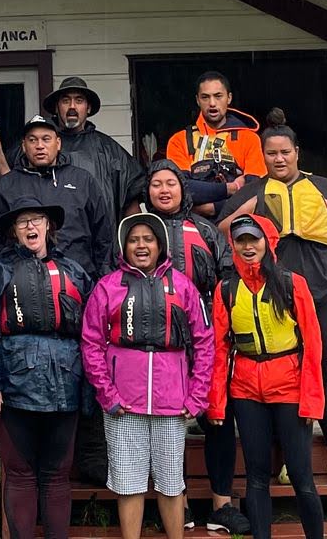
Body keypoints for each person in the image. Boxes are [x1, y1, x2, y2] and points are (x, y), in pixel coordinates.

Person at [220, 108, 327, 482]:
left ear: (297, 152)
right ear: (263, 156)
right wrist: (248, 210)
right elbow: (222, 228)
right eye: (271, 153)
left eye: (285, 152)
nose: (279, 159)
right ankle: (291, 458)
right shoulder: (255, 191)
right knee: (290, 378)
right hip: (278, 300)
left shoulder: (323, 187)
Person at [0, 194, 94, 539]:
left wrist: (91, 386)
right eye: (23, 222)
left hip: (66, 383)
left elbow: (93, 332)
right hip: (13, 387)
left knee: (57, 473)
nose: (31, 226)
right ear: (14, 232)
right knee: (21, 473)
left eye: (36, 219)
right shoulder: (0, 271)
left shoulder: (73, 270)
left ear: (48, 225)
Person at [81, 213, 213, 539]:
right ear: (124, 246)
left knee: (170, 483)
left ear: (160, 245)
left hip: (173, 401)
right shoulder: (107, 287)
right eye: (134, 239)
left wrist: (197, 395)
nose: (141, 245)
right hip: (123, 404)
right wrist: (107, 394)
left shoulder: (183, 286)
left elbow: (205, 342)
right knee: (129, 484)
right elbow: (91, 343)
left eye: (148, 239)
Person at [137, 161, 243, 535]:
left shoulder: (205, 229)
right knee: (169, 422)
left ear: (184, 189)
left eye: (171, 183)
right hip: (159, 341)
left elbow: (228, 276)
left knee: (218, 417)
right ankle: (175, 501)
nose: (163, 190)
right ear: (146, 191)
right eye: (155, 184)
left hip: (206, 335)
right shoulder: (139, 233)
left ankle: (222, 503)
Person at [209, 213, 326, 539]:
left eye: (254, 239)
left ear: (268, 241)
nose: (248, 247)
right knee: (256, 477)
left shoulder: (292, 283)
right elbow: (219, 350)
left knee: (302, 477)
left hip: (289, 387)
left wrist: (313, 401)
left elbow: (313, 345)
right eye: (241, 240)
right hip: (246, 390)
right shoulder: (227, 290)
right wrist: (216, 403)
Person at [0, 114, 115, 280]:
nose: (40, 146)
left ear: (58, 143)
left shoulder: (82, 180)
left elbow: (103, 237)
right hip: (23, 285)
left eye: (46, 139)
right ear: (23, 146)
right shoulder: (8, 185)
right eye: (32, 140)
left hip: (78, 282)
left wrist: (104, 283)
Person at [15, 76, 138, 214]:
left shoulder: (109, 150)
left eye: (79, 100)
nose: (72, 106)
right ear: (56, 107)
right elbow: (10, 185)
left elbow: (131, 197)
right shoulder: (34, 145)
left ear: (88, 108)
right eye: (66, 101)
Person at [163, 71, 267, 212]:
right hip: (192, 221)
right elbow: (180, 189)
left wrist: (212, 207)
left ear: (229, 98)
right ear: (197, 100)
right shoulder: (179, 140)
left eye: (218, 96)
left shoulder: (249, 138)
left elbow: (255, 191)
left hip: (236, 220)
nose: (212, 103)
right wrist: (230, 188)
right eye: (205, 97)